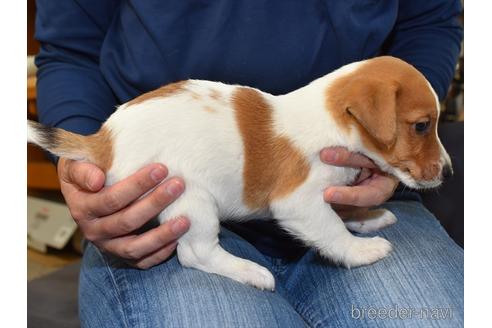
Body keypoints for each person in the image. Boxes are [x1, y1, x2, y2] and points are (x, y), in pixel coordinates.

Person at [35, 1, 464, 327]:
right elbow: (71, 49)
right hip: (158, 214)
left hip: (349, 194)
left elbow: (429, 22)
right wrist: (85, 170)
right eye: (421, 128)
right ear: (370, 113)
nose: (436, 157)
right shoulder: (303, 136)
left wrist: (381, 168)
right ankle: (204, 254)